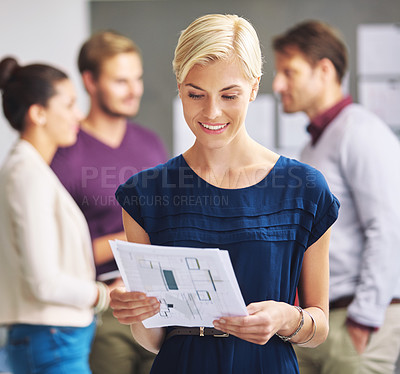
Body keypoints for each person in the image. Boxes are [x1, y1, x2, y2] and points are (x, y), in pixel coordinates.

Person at [109, 14, 340, 374]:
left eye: (229, 95)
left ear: (254, 87)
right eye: (194, 94)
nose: (211, 112)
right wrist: (137, 315)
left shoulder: (305, 189)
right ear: (179, 87)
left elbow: (318, 326)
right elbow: (155, 340)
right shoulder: (146, 194)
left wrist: (286, 318)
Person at [272, 20, 400, 374]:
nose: (278, 84)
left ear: (324, 70)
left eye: (289, 71)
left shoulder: (360, 132)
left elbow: (389, 227)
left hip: (356, 319)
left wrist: (364, 319)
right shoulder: (314, 145)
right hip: (322, 320)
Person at [50, 31, 168, 374]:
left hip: (159, 302)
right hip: (101, 309)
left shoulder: (151, 145)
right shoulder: (64, 152)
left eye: (138, 79)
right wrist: (132, 243)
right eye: (121, 81)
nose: (135, 90)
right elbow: (53, 253)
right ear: (90, 81)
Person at [0, 57, 110, 373]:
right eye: (70, 104)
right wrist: (105, 295)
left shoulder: (32, 170)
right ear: (39, 113)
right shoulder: (26, 175)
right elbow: (44, 282)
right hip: (51, 342)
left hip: (56, 341)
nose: (78, 114)